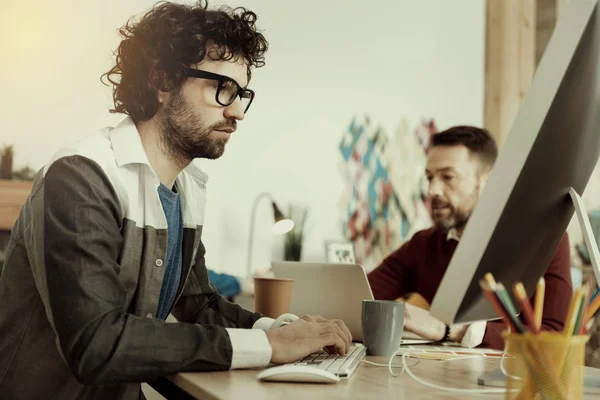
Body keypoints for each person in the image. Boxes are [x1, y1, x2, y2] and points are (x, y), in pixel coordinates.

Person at [0, 2, 351, 399]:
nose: (238, 112)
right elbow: (96, 343)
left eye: (242, 94)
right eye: (223, 89)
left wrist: (281, 331)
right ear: (163, 81)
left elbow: (198, 305)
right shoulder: (81, 177)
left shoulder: (184, 189)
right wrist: (270, 348)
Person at [367, 125, 572, 350]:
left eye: (448, 177)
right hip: (435, 380)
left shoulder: (544, 239)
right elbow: (363, 296)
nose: (433, 190)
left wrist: (452, 330)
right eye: (429, 178)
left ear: (489, 182)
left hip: (512, 383)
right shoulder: (424, 243)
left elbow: (557, 338)